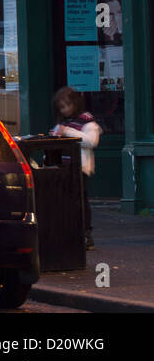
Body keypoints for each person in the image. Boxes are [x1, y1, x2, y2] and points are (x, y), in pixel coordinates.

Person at [51, 86, 102, 250]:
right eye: (61, 107)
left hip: (80, 167)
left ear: (75, 103)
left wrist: (68, 132)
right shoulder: (64, 123)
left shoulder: (87, 121)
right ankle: (69, 233)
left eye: (67, 106)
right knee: (64, 202)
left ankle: (86, 234)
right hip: (64, 166)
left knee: (79, 201)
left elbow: (91, 141)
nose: (64, 110)